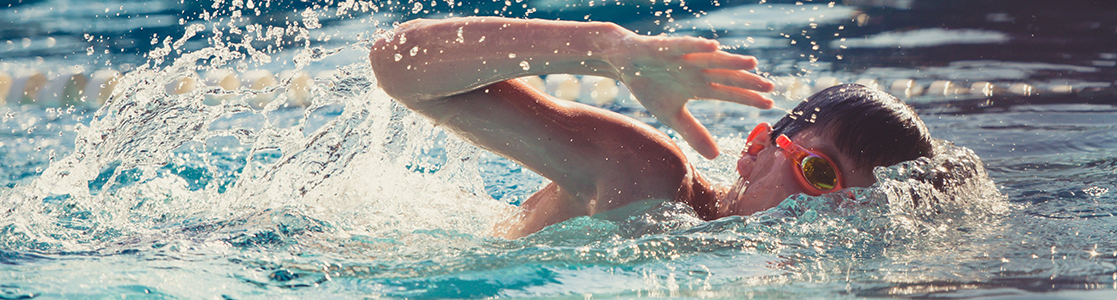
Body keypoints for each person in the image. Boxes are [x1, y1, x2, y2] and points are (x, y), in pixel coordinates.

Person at [369, 17, 933, 238]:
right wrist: (606, 50)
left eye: (856, 208)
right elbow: (398, 65)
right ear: (756, 149)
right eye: (818, 173)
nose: (822, 217)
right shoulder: (647, 177)